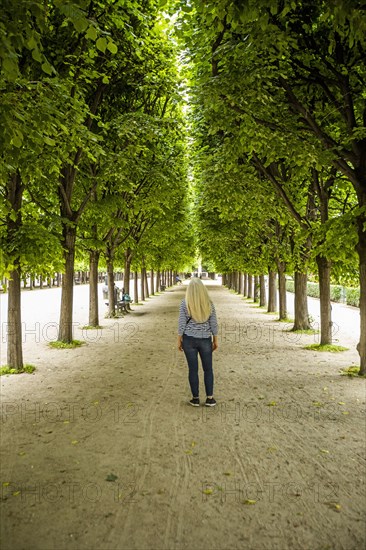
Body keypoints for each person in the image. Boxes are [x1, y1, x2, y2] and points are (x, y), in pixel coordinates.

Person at [177, 278, 218, 407]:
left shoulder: (185, 303)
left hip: (189, 340)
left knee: (193, 370)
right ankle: (210, 398)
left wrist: (179, 339)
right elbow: (214, 324)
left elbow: (182, 323)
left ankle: (195, 398)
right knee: (208, 369)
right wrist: (215, 339)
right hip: (205, 339)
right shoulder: (209, 304)